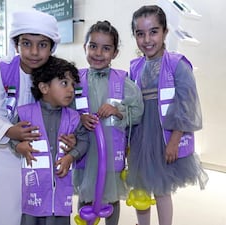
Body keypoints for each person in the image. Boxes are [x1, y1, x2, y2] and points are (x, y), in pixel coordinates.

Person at [0, 9, 75, 225]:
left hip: (43, 150)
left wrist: (70, 136)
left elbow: (69, 111)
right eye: (26, 43)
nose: (33, 52)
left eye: (42, 44)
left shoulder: (58, 75)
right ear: (16, 45)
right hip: (2, 147)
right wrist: (12, 133)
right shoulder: (0, 71)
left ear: (52, 47)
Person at [127, 5, 208, 225]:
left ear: (164, 32)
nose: (147, 39)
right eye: (140, 33)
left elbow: (185, 105)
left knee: (162, 188)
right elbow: (131, 102)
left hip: (164, 134)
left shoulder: (177, 64)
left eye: (153, 31)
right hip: (141, 135)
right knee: (141, 187)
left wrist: (174, 140)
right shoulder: (135, 66)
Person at [73, 21, 144, 225]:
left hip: (111, 150)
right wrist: (79, 118)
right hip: (86, 149)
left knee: (111, 195)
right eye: (93, 46)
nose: (98, 53)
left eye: (106, 48)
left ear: (115, 53)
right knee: (86, 194)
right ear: (84, 47)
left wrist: (118, 111)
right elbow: (65, 110)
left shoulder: (122, 81)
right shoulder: (76, 80)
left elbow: (138, 111)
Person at [14, 56, 89, 225]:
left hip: (61, 192)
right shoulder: (25, 114)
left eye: (72, 85)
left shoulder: (74, 117)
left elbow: (85, 141)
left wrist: (71, 157)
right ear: (44, 87)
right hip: (34, 191)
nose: (70, 89)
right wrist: (19, 146)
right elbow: (11, 135)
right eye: (64, 83)